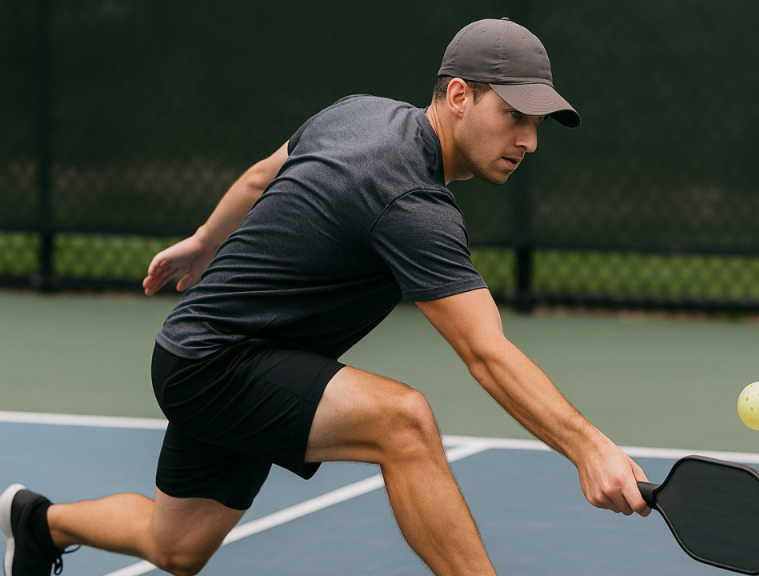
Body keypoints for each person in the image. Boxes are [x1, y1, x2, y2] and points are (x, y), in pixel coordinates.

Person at [1, 18, 650, 576]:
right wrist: (590, 449)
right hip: (218, 363)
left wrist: (204, 241)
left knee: (176, 549)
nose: (530, 141)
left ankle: (40, 523)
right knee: (404, 422)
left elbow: (262, 174)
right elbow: (487, 353)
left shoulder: (357, 112)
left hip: (209, 351)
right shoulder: (413, 203)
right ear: (459, 95)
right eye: (514, 117)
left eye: (537, 124)